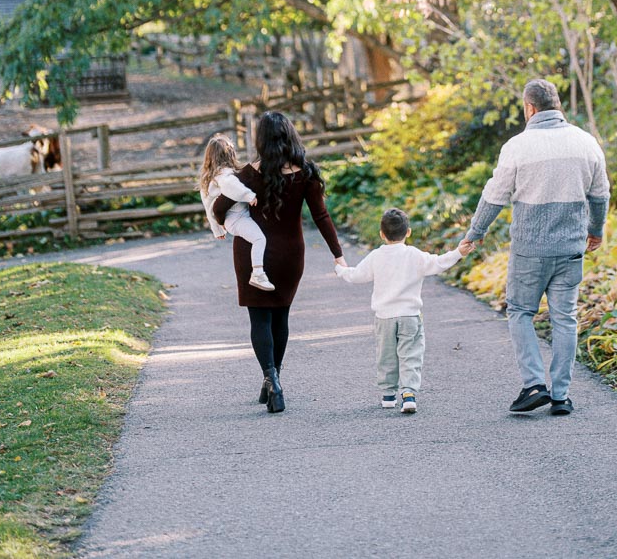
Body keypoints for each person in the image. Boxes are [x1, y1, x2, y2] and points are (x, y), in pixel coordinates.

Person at [465, 78, 610, 417]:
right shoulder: (586, 143)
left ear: (529, 108)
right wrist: (596, 231)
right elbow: (601, 195)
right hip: (571, 247)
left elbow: (494, 195)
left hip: (530, 250)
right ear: (557, 105)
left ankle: (534, 384)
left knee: (520, 311)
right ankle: (560, 396)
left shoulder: (518, 146)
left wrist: (475, 232)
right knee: (565, 319)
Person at [212, 110, 345, 414]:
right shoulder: (306, 173)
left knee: (259, 319)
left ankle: (270, 378)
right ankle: (275, 377)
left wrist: (226, 220)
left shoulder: (248, 174)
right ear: (289, 135)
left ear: (261, 140)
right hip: (290, 255)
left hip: (251, 253)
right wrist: (337, 253)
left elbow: (220, 207)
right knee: (281, 318)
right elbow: (321, 216)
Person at [334, 207, 473, 414]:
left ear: (382, 234)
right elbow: (438, 263)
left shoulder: (376, 256)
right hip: (410, 316)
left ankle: (388, 395)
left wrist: (340, 269)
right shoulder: (414, 255)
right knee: (411, 355)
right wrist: (458, 253)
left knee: (386, 356)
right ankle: (408, 393)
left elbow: (356, 276)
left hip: (384, 318)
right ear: (408, 232)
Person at [199, 134, 274, 291]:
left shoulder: (211, 177)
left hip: (231, 220)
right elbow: (230, 185)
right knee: (260, 239)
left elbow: (207, 206)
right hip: (237, 218)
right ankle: (258, 274)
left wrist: (216, 229)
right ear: (229, 154)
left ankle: (258, 272)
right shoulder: (225, 175)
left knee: (256, 238)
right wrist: (249, 195)